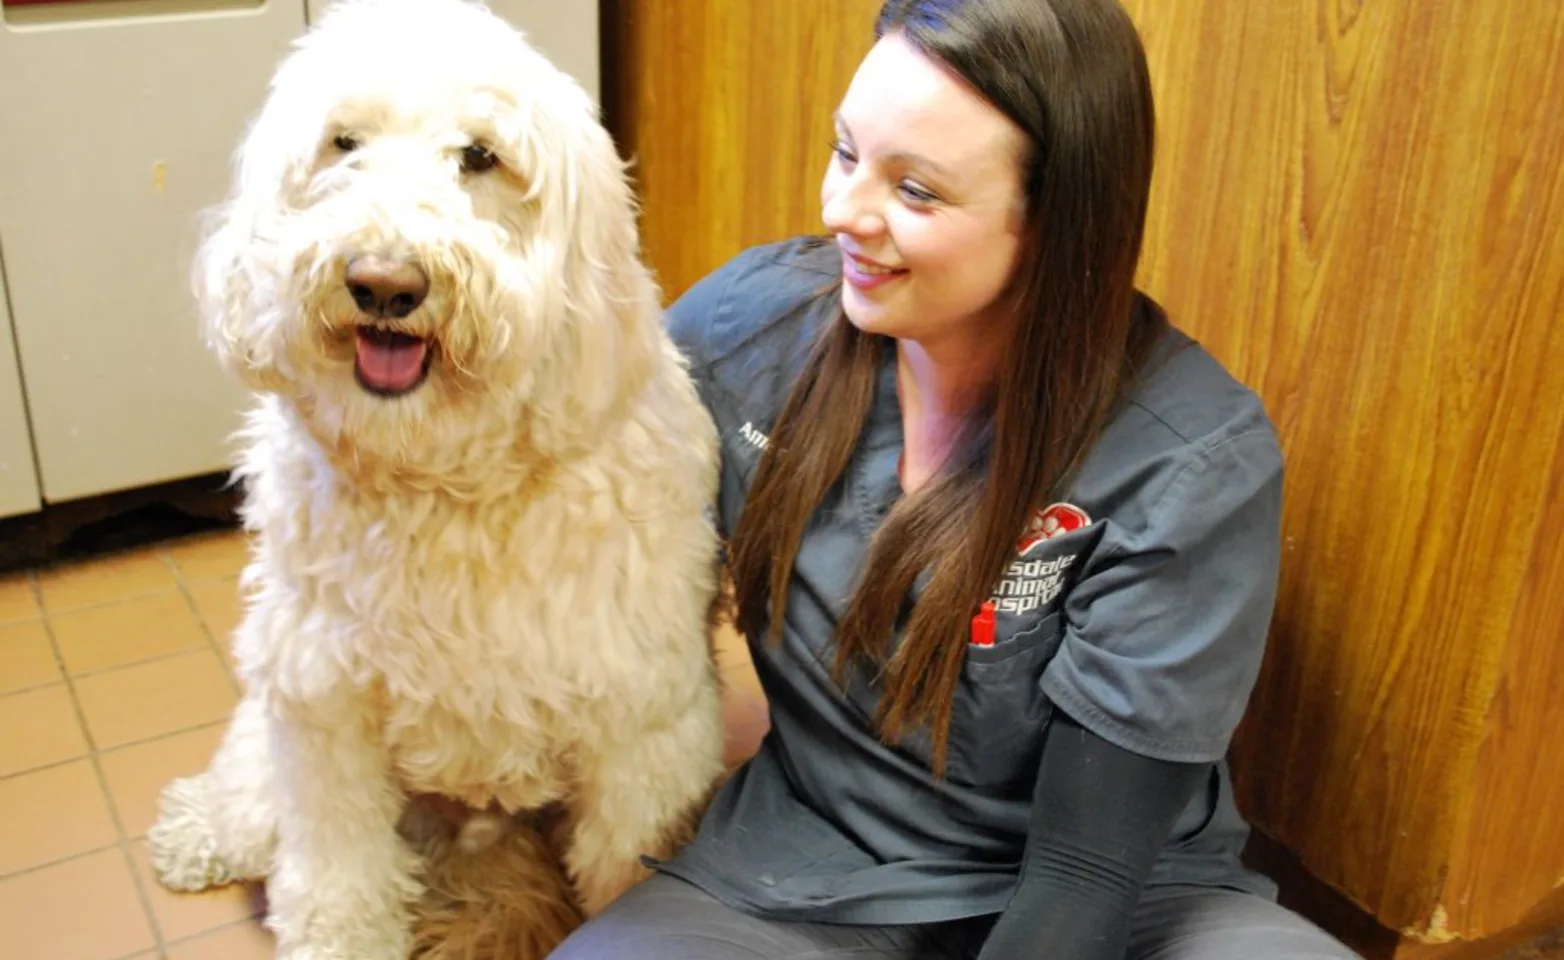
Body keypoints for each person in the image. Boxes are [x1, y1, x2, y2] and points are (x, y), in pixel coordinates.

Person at [549, 0, 1361, 957]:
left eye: (918, 191)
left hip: (1120, 893)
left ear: (1057, 224)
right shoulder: (749, 329)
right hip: (808, 875)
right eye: (846, 154)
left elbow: (1082, 884)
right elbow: (553, 497)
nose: (842, 212)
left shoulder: (1188, 461)